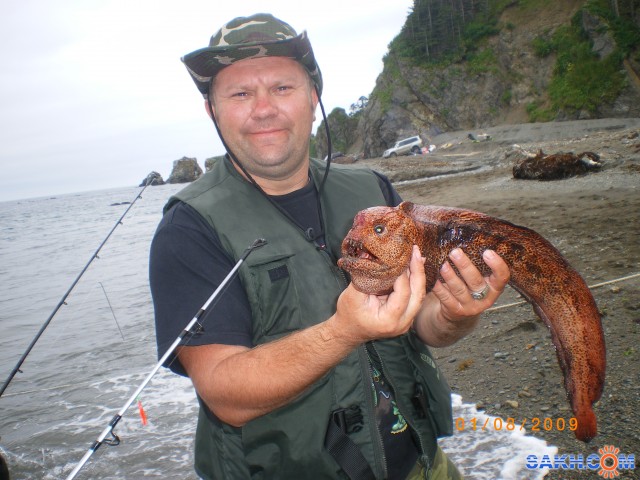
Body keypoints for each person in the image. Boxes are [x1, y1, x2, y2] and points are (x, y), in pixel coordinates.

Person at [150, 13, 510, 480]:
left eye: (282, 87)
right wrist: (343, 330)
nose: (263, 108)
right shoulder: (189, 229)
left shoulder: (374, 192)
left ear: (313, 96)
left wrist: (455, 315)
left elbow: (420, 323)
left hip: (423, 465)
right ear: (212, 109)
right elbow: (223, 391)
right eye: (239, 93)